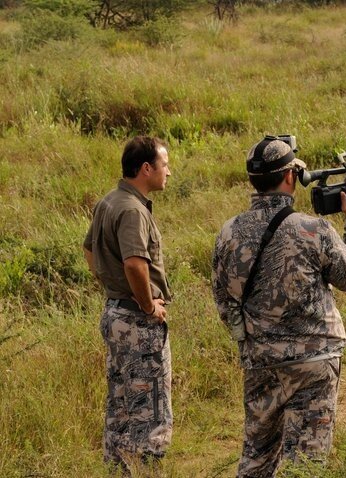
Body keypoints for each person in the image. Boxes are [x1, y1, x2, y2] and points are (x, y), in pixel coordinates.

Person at [212, 135, 346, 477]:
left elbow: (224, 300)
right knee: (307, 464)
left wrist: (249, 341)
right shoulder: (313, 229)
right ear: (290, 177)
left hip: (260, 361)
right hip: (314, 362)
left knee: (256, 457)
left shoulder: (228, 232)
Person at [82, 136, 173, 473]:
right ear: (146, 168)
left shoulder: (109, 201)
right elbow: (136, 264)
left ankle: (120, 470)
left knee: (120, 406)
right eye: (164, 164)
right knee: (150, 410)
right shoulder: (133, 210)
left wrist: (112, 285)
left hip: (115, 312)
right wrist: (147, 305)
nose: (168, 172)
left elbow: (89, 249)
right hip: (137, 321)